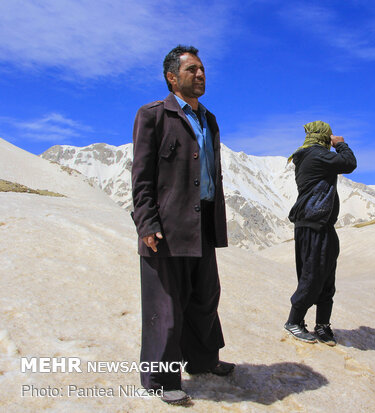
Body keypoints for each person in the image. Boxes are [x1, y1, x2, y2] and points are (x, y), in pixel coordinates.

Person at [131, 45, 233, 405]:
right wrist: (146, 222)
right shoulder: (154, 116)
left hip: (202, 223)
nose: (201, 75)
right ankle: (161, 379)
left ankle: (204, 361)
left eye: (203, 69)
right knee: (167, 305)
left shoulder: (209, 118)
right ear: (172, 77)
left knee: (205, 298)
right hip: (167, 228)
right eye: (192, 70)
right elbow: (141, 176)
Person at [284, 121, 357, 346]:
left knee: (326, 279)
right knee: (313, 276)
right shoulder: (315, 155)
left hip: (321, 225)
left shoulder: (309, 154)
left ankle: (322, 326)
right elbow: (349, 163)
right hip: (313, 224)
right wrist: (341, 145)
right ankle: (294, 322)